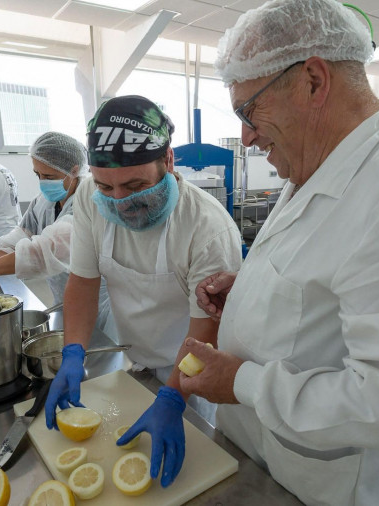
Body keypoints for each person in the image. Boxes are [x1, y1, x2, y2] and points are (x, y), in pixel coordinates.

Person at [181, 2, 379, 505]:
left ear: (313, 79)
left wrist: (242, 381)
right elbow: (323, 285)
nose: (245, 136)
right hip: (265, 457)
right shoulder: (320, 162)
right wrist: (253, 295)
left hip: (335, 483)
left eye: (249, 110)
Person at [43, 95, 243, 489]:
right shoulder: (89, 197)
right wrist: (73, 351)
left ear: (168, 161)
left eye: (135, 185)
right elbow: (83, 282)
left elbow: (209, 330)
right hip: (137, 368)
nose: (119, 201)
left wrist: (172, 397)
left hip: (194, 379)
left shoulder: (206, 229)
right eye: (106, 186)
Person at [0, 132, 115, 336]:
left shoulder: (89, 200)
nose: (43, 182)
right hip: (64, 300)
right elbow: (21, 234)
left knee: (104, 357)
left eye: (49, 176)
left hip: (101, 306)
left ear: (74, 170)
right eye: (38, 174)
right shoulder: (44, 201)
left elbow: (48, 250)